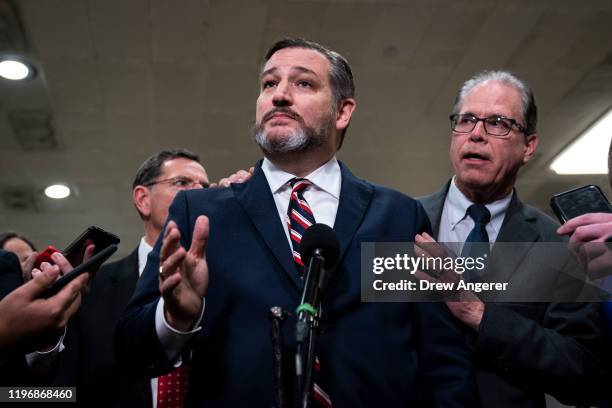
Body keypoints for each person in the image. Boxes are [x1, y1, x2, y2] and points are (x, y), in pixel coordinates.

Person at [115, 38, 477, 407]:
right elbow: (130, 351)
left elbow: (441, 361)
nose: (279, 95)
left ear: (343, 111)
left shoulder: (396, 216)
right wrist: (175, 318)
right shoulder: (203, 214)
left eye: (303, 83)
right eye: (269, 83)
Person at [418, 70, 604, 407]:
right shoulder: (399, 223)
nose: (476, 134)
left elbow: (584, 374)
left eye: (498, 123)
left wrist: (478, 314)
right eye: (466, 120)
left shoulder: (558, 245)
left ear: (528, 146)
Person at [56, 149, 209, 407]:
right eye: (181, 183)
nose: (199, 193)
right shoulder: (91, 286)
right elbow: (63, 388)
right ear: (143, 199)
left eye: (205, 187)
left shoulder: (222, 283)